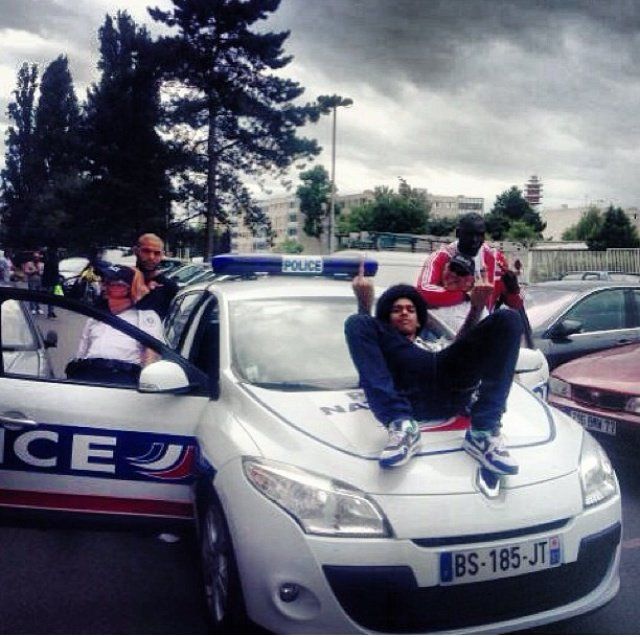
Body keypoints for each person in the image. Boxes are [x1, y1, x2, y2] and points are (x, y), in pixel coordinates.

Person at [344, 261, 522, 473]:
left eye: (411, 310)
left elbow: (463, 352)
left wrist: (476, 306)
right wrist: (364, 306)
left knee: (508, 318)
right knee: (356, 321)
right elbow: (368, 357)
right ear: (386, 321)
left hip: (450, 387)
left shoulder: (434, 342)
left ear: (420, 321)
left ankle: (482, 433)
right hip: (411, 398)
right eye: (396, 310)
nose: (404, 313)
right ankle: (402, 427)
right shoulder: (383, 344)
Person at [416, 213, 522, 333]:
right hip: (447, 335)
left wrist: (514, 290)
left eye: (480, 235)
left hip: (483, 335)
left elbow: (516, 304)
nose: (474, 240)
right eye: (469, 234)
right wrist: (469, 296)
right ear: (458, 233)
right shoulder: (440, 257)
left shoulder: (496, 259)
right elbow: (422, 292)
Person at [67, 264, 164, 385]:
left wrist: (146, 384)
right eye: (105, 282)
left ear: (131, 289)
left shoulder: (145, 316)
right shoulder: (96, 317)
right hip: (88, 374)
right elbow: (81, 354)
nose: (105, 286)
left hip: (122, 378)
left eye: (114, 284)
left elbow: (151, 355)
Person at [133, 233, 178, 319]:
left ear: (162, 255)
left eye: (157, 253)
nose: (151, 257)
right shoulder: (123, 281)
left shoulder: (169, 287)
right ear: (135, 251)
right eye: (146, 251)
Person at [41, 247, 61, 318]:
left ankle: (51, 311)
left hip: (52, 281)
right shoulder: (53, 262)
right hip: (53, 282)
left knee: (52, 297)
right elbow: (51, 273)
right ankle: (50, 311)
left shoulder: (49, 261)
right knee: (52, 297)